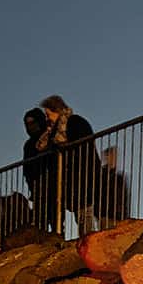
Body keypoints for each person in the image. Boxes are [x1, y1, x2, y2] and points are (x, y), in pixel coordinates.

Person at [36, 95, 100, 237]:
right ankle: (85, 242)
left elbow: (84, 148)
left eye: (48, 114)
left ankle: (88, 243)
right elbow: (41, 146)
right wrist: (49, 130)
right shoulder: (55, 130)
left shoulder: (76, 122)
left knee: (85, 214)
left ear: (56, 110)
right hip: (69, 181)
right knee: (81, 214)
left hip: (82, 176)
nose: (47, 118)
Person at [22, 108, 59, 233]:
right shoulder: (28, 145)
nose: (30, 127)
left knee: (56, 222)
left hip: (54, 187)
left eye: (33, 123)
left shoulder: (52, 137)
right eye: (27, 124)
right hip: (38, 190)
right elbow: (27, 168)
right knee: (39, 224)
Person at [96, 146, 131, 230]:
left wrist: (126, 217)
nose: (113, 158)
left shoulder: (120, 177)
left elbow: (125, 198)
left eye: (114, 155)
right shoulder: (101, 176)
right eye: (111, 155)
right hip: (106, 216)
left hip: (119, 218)